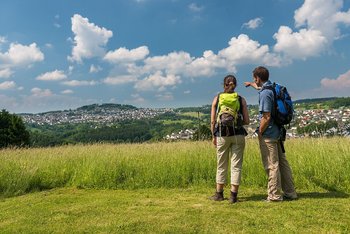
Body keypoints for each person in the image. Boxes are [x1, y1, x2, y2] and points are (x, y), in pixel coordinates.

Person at [245, 66, 297, 202]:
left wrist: (259, 132)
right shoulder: (274, 87)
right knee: (283, 163)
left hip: (269, 133)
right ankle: (290, 192)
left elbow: (266, 116)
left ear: (257, 78)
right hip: (279, 132)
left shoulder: (265, 93)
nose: (253, 80)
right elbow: (260, 88)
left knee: (271, 165)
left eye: (254, 78)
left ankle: (274, 195)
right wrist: (251, 85)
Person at [209, 74, 250, 203]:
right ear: (235, 85)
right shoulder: (240, 99)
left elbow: (212, 121)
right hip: (238, 135)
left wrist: (213, 134)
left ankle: (219, 194)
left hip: (222, 134)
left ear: (224, 84)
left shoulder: (218, 98)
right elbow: (247, 121)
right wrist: (237, 122)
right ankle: (233, 196)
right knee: (236, 165)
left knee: (221, 165)